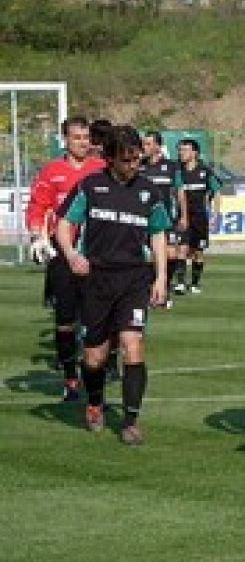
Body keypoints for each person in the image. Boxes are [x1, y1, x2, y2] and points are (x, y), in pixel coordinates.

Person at [56, 125, 170, 445]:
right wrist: (71, 255)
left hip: (134, 278)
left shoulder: (149, 191)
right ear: (109, 159)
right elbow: (65, 225)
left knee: (133, 344)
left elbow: (158, 233)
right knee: (94, 357)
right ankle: (94, 403)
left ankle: (131, 421)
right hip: (97, 280)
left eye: (137, 159)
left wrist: (161, 276)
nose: (134, 165)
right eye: (126, 160)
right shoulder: (91, 186)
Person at [25, 117, 105, 401]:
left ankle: (97, 374)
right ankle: (70, 378)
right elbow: (37, 206)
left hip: (97, 254)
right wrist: (37, 236)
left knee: (98, 320)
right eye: (77, 137)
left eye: (86, 137)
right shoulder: (51, 171)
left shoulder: (101, 168)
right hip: (63, 254)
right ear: (65, 140)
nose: (83, 142)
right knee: (65, 321)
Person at [140, 131, 188, 304]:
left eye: (148, 144)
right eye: (144, 143)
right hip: (142, 219)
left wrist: (183, 215)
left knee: (171, 254)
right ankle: (149, 291)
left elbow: (179, 191)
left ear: (158, 147)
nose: (144, 147)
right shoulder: (139, 167)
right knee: (147, 256)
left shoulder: (171, 167)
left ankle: (163, 287)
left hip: (166, 219)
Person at [178, 139, 222, 293]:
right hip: (182, 216)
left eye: (185, 150)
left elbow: (216, 192)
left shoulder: (205, 171)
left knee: (198, 252)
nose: (182, 153)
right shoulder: (178, 171)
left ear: (195, 153)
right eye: (180, 150)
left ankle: (195, 284)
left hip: (200, 217)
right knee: (182, 248)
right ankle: (180, 283)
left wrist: (215, 215)